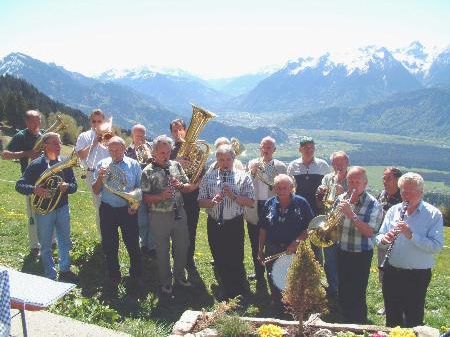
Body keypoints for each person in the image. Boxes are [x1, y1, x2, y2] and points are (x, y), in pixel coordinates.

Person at [376, 172, 443, 328]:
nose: (405, 195)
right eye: (402, 191)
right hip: (392, 272)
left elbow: (436, 246)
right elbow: (379, 237)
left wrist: (411, 235)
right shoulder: (394, 210)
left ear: (420, 192)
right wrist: (384, 239)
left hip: (417, 275)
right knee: (392, 318)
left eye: (410, 191)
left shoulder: (433, 214)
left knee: (413, 318)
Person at [15, 132, 78, 282]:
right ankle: (50, 273)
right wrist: (34, 189)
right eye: (55, 143)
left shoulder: (65, 163)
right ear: (45, 145)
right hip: (44, 212)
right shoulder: (36, 165)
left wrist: (67, 186)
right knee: (45, 244)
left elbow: (75, 186)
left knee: (64, 240)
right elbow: (19, 185)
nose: (58, 146)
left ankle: (64, 269)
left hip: (62, 208)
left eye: (59, 143)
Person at [198, 144, 255, 300]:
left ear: (233, 158)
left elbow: (250, 202)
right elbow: (200, 201)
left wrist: (234, 197)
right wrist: (211, 202)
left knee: (236, 256)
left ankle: (239, 290)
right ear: (217, 159)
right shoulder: (209, 177)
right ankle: (225, 288)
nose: (224, 162)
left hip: (234, 223)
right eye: (221, 159)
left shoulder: (243, 176)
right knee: (219, 256)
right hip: (214, 222)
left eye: (228, 159)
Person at [142, 135, 195, 296]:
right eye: (162, 153)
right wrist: (161, 196)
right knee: (162, 250)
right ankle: (165, 281)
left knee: (182, 247)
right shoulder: (147, 171)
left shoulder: (176, 165)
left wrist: (182, 185)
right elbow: (144, 198)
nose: (165, 156)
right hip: (159, 216)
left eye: (168, 152)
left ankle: (179, 276)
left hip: (179, 212)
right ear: (154, 152)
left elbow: (187, 186)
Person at [92, 136, 142, 287]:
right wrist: (100, 178)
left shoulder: (133, 164)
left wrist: (134, 205)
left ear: (124, 149)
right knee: (109, 244)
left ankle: (136, 274)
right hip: (107, 209)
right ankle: (114, 274)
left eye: (117, 150)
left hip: (127, 209)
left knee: (132, 243)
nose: (114, 153)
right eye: (111, 150)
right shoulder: (102, 164)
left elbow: (140, 188)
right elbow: (95, 190)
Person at [258, 174, 313, 307]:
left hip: (294, 248)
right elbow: (263, 229)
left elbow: (311, 227)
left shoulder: (301, 203)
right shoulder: (269, 203)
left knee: (293, 277)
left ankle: (293, 305)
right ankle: (277, 302)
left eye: (285, 187)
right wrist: (260, 250)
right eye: (278, 187)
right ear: (274, 188)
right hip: (273, 247)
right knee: (273, 275)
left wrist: (297, 242)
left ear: (292, 188)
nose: (282, 190)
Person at [336, 166, 382, 323]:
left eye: (357, 181)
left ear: (365, 183)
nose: (353, 185)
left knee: (357, 290)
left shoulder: (373, 204)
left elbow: (370, 232)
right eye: (350, 181)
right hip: (342, 250)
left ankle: (358, 322)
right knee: (342, 287)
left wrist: (351, 214)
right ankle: (343, 319)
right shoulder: (341, 198)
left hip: (361, 253)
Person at [2, 110, 44, 257]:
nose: (36, 124)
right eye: (32, 122)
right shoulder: (21, 136)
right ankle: (35, 246)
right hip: (30, 181)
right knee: (33, 214)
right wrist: (27, 153)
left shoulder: (44, 135)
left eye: (38, 121)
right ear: (26, 122)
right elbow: (5, 154)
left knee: (49, 211)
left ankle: (51, 242)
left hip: (46, 179)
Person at [246, 136, 286, 285]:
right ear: (260, 148)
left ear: (274, 150)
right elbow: (245, 184)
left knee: (272, 242)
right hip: (255, 206)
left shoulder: (280, 166)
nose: (266, 150)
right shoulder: (252, 163)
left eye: (269, 147)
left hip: (272, 206)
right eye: (264, 147)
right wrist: (251, 172)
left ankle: (273, 273)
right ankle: (259, 274)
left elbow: (283, 187)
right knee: (255, 242)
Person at [287, 136, 330, 261]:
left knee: (316, 241)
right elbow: (290, 187)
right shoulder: (293, 165)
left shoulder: (322, 165)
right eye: (305, 147)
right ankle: (297, 267)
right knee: (298, 239)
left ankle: (317, 269)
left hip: (317, 208)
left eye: (311, 147)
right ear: (300, 149)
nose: (309, 150)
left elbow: (328, 186)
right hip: (298, 208)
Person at [315, 151, 350, 299]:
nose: (338, 166)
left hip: (347, 227)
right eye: (335, 163)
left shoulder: (352, 178)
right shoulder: (328, 178)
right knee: (329, 260)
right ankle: (333, 290)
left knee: (345, 261)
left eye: (341, 163)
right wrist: (319, 193)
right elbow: (320, 204)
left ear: (347, 163)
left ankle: (345, 290)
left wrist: (345, 192)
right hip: (330, 224)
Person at [169, 118, 202, 269]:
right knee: (175, 229)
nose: (177, 133)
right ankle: (176, 257)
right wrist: (176, 162)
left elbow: (201, 172)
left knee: (191, 228)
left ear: (186, 130)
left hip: (191, 196)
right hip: (174, 197)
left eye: (180, 129)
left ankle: (189, 258)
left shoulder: (196, 149)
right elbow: (162, 170)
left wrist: (192, 187)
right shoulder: (168, 149)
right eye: (174, 130)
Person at [75, 109, 110, 236]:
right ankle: (104, 237)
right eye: (94, 121)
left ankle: (111, 234)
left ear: (104, 121)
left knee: (112, 205)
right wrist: (94, 142)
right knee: (100, 206)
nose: (96, 124)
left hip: (109, 173)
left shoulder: (109, 136)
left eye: (99, 121)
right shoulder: (84, 136)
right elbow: (80, 155)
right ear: (90, 121)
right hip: (93, 174)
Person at [125, 124, 156, 258]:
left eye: (143, 135)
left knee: (153, 219)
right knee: (141, 220)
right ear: (132, 136)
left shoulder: (151, 148)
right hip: (137, 190)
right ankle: (143, 244)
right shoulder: (127, 151)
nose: (141, 139)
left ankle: (152, 246)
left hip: (152, 190)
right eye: (138, 136)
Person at [376, 167, 403, 315]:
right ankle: (387, 305)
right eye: (384, 178)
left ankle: (400, 304)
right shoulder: (381, 195)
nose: (384, 181)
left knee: (398, 275)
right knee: (383, 274)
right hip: (383, 240)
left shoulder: (404, 197)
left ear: (398, 180)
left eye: (388, 179)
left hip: (400, 243)